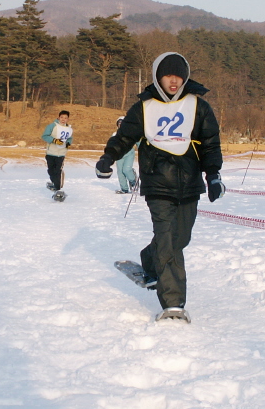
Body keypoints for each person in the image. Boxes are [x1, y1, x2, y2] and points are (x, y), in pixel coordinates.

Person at [95, 52, 225, 321]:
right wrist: (108, 157)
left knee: (180, 238)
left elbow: (210, 143)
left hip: (189, 183)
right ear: (157, 77)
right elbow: (125, 137)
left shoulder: (198, 106)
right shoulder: (143, 107)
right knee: (168, 241)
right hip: (157, 183)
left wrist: (213, 176)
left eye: (178, 75)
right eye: (168, 75)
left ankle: (149, 257)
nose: (174, 81)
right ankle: (173, 303)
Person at [41, 110, 73, 199]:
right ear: (58, 117)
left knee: (58, 171)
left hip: (61, 153)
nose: (63, 119)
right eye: (62, 117)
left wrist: (68, 143)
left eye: (66, 118)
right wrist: (54, 140)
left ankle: (58, 190)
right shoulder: (52, 126)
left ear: (68, 119)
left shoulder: (69, 128)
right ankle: (54, 184)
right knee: (51, 170)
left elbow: (70, 138)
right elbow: (44, 136)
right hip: (51, 152)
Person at [113, 116, 138, 194]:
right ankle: (124, 189)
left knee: (126, 170)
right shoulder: (115, 134)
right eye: (119, 123)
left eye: (122, 123)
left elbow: (138, 142)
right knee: (120, 172)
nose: (120, 125)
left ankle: (133, 181)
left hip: (129, 153)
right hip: (119, 155)